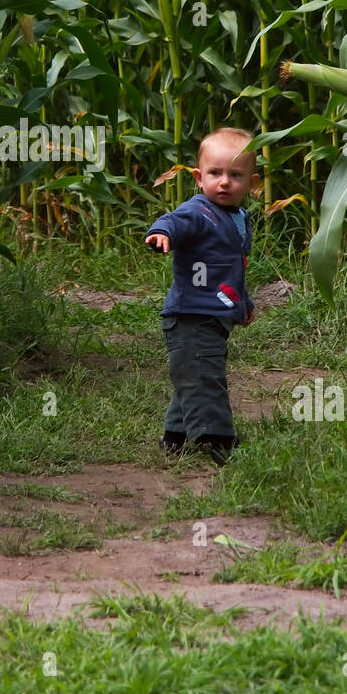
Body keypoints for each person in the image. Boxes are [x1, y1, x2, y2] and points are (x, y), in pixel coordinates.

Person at [144, 127, 259, 463]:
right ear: (198, 177)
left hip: (216, 315)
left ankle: (175, 438)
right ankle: (218, 441)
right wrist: (161, 234)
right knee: (205, 377)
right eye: (215, 173)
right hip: (191, 315)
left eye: (235, 175)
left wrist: (244, 303)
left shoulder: (238, 219)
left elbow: (231, 271)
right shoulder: (198, 211)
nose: (224, 182)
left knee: (193, 375)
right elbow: (173, 222)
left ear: (252, 183)